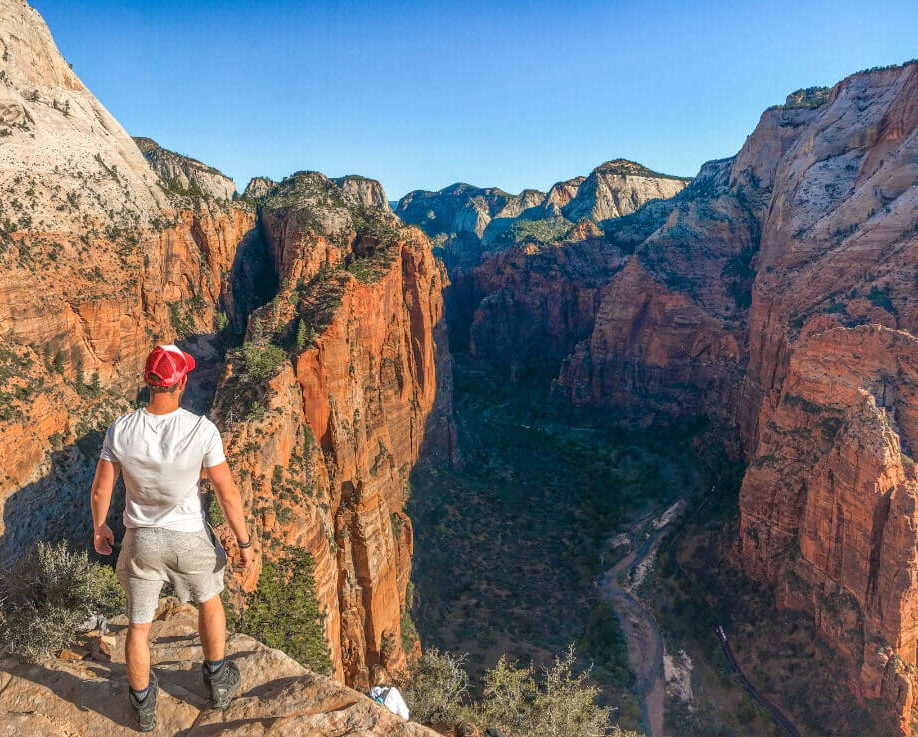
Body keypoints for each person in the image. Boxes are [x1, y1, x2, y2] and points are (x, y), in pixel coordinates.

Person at [89, 344, 255, 732]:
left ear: (149, 381)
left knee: (139, 627)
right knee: (210, 602)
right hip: (188, 539)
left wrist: (100, 527)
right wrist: (244, 543)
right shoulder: (202, 430)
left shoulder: (121, 428)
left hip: (141, 540)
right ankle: (217, 682)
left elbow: (101, 490)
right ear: (181, 382)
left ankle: (144, 709)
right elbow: (227, 492)